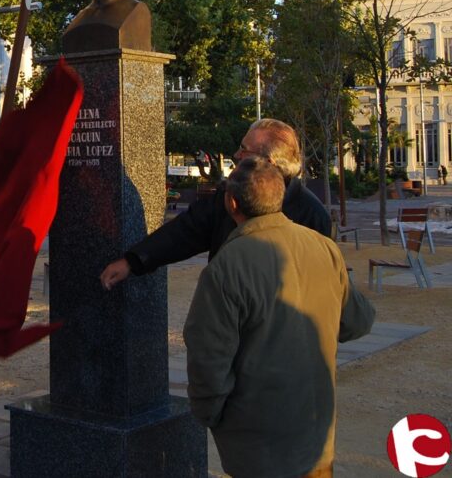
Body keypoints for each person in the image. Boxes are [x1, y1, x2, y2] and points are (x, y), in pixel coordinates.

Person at [183, 157, 376, 478]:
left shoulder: (227, 265)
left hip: (257, 445)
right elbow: (359, 321)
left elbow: (208, 356)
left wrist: (209, 413)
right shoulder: (324, 247)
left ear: (232, 202)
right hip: (316, 434)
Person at [100, 118, 331, 289]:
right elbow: (186, 231)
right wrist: (134, 260)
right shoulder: (228, 196)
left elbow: (318, 289)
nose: (236, 154)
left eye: (244, 149)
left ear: (267, 162)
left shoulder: (312, 216)